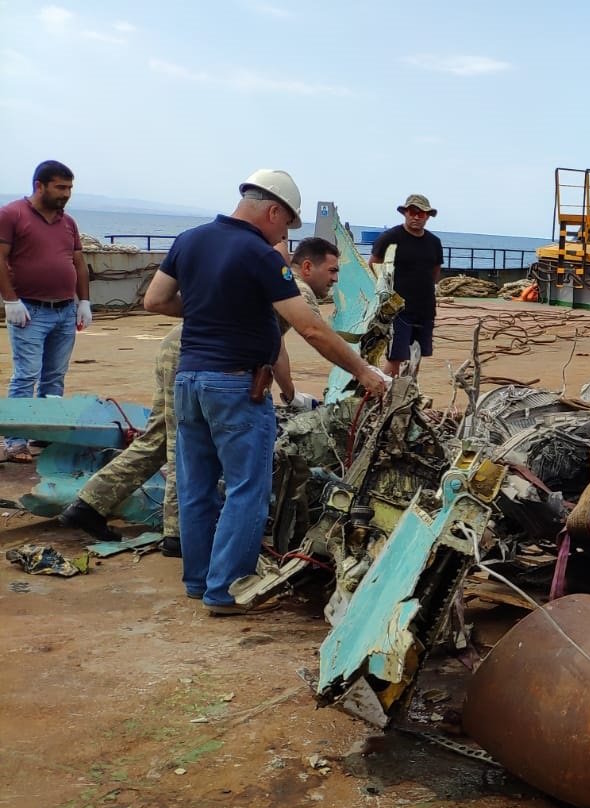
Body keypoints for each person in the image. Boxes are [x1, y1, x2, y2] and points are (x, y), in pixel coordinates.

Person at [143, 170, 388, 616]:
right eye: (285, 228)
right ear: (273, 211)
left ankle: (198, 581)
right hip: (236, 385)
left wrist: (209, 312)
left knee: (196, 485)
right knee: (246, 489)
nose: (284, 239)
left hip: (189, 381)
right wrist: (363, 371)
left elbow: (155, 300)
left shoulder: (190, 239)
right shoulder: (260, 255)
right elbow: (311, 327)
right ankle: (227, 589)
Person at [57, 237, 341, 554]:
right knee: (184, 444)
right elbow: (316, 333)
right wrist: (364, 373)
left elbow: (275, 345)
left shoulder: (272, 281)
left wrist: (289, 392)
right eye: (332, 271)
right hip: (195, 356)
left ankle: (89, 504)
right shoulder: (296, 291)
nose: (335, 279)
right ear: (306, 267)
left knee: (158, 439)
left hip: (179, 348)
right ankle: (178, 535)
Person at [0, 160, 91, 462]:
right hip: (30, 311)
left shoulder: (68, 222)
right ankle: (15, 441)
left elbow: (78, 262)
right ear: (40, 185)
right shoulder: (12, 214)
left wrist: (84, 302)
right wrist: (10, 300)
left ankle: (46, 433)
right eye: (60, 187)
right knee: (27, 375)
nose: (66, 194)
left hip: (65, 310)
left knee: (54, 376)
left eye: (70, 188)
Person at [369, 193, 443, 376]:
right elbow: (373, 263)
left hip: (425, 309)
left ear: (427, 216)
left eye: (421, 213)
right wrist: (386, 292)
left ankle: (408, 392)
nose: (416, 216)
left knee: (416, 355)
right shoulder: (390, 237)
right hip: (399, 310)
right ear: (405, 213)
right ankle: (384, 394)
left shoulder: (434, 243)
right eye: (412, 212)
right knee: (396, 357)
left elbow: (435, 269)